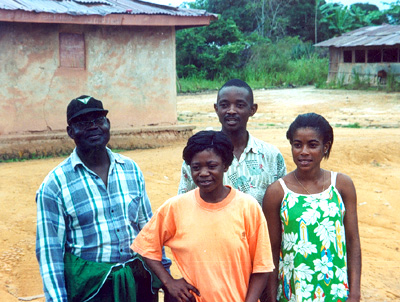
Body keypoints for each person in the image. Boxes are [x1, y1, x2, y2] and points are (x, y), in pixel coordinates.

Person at [35, 95, 171, 302]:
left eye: (99, 120)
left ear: (108, 124)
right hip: (92, 290)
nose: (93, 127)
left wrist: (166, 279)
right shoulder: (55, 185)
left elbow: (149, 231)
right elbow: (50, 253)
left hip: (138, 283)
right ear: (70, 132)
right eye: (83, 123)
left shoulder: (131, 169)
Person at [131, 130, 274, 302]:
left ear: (226, 165)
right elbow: (145, 246)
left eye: (212, 166)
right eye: (196, 167)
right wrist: (169, 282)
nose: (203, 173)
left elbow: (262, 267)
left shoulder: (248, 207)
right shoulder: (175, 207)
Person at [262, 113, 362, 302]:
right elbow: (272, 251)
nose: (304, 151)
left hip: (336, 292)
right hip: (293, 293)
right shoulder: (277, 192)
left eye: (313, 145)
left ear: (325, 147)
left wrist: (355, 293)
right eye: (297, 144)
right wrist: (271, 298)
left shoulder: (341, 185)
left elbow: (352, 241)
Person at [178, 79, 286, 206]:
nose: (231, 111)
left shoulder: (271, 155)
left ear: (252, 109)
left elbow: (282, 204)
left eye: (240, 105)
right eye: (224, 105)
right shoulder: (198, 156)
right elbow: (184, 203)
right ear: (216, 108)